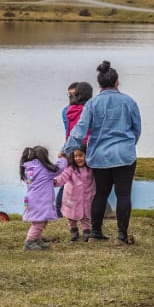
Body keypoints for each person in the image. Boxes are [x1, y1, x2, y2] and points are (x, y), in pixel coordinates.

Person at [61, 61, 141, 245]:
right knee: (123, 195)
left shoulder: (92, 104)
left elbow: (80, 132)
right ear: (117, 82)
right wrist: (129, 145)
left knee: (100, 194)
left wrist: (66, 151)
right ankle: (121, 235)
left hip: (99, 156)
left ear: (99, 84)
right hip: (124, 156)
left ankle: (96, 232)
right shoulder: (129, 101)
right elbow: (137, 129)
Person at [58, 81, 93, 216]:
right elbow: (84, 131)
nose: (71, 97)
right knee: (88, 180)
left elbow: (69, 133)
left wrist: (65, 149)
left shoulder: (66, 111)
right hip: (85, 148)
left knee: (70, 179)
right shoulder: (87, 110)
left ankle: (62, 211)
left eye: (72, 94)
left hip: (71, 147)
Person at [20, 146, 63, 250]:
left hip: (31, 200)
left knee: (39, 221)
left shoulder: (29, 168)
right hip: (39, 200)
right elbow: (59, 169)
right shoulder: (44, 169)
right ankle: (29, 242)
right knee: (38, 223)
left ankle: (37, 240)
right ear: (44, 157)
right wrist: (63, 158)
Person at [54, 147, 96, 241]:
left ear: (87, 155)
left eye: (80, 155)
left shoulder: (92, 169)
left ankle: (86, 232)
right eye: (75, 156)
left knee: (86, 216)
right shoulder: (70, 169)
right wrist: (55, 182)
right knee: (70, 216)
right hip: (71, 197)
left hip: (87, 197)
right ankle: (74, 230)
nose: (77, 158)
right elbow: (62, 177)